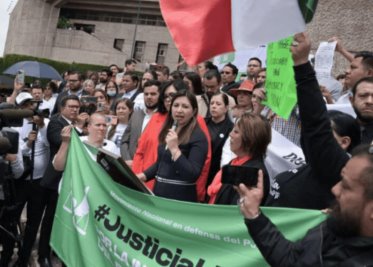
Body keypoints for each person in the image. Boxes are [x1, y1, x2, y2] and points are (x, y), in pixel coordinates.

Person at [235, 31, 373, 267]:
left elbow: (318, 133)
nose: (335, 191)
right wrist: (255, 217)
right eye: (341, 179)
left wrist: (302, 69)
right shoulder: (331, 229)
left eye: (347, 187)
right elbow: (292, 260)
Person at [137, 90, 208, 202]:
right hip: (159, 195)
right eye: (176, 105)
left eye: (185, 106)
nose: (179, 110)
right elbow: (161, 163)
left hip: (179, 200)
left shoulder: (198, 137)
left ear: (194, 111)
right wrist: (142, 176)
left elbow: (192, 174)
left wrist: (175, 150)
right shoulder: (170, 129)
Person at [207, 113, 271, 205]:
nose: (230, 134)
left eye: (236, 132)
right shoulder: (235, 162)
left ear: (250, 139)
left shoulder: (252, 173)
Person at [53, 113, 120, 172]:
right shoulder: (77, 142)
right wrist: (65, 143)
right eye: (98, 125)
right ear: (89, 127)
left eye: (104, 125)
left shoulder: (111, 146)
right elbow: (58, 167)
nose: (101, 128)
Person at [120, 80, 161, 164]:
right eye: (146, 94)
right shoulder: (136, 114)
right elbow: (124, 140)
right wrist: (128, 160)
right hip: (130, 165)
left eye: (153, 94)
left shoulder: (164, 118)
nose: (149, 97)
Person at [204, 93, 233, 189]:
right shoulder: (202, 123)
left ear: (226, 108)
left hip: (217, 172)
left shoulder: (231, 128)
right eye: (212, 103)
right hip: (201, 170)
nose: (214, 106)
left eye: (218, 104)